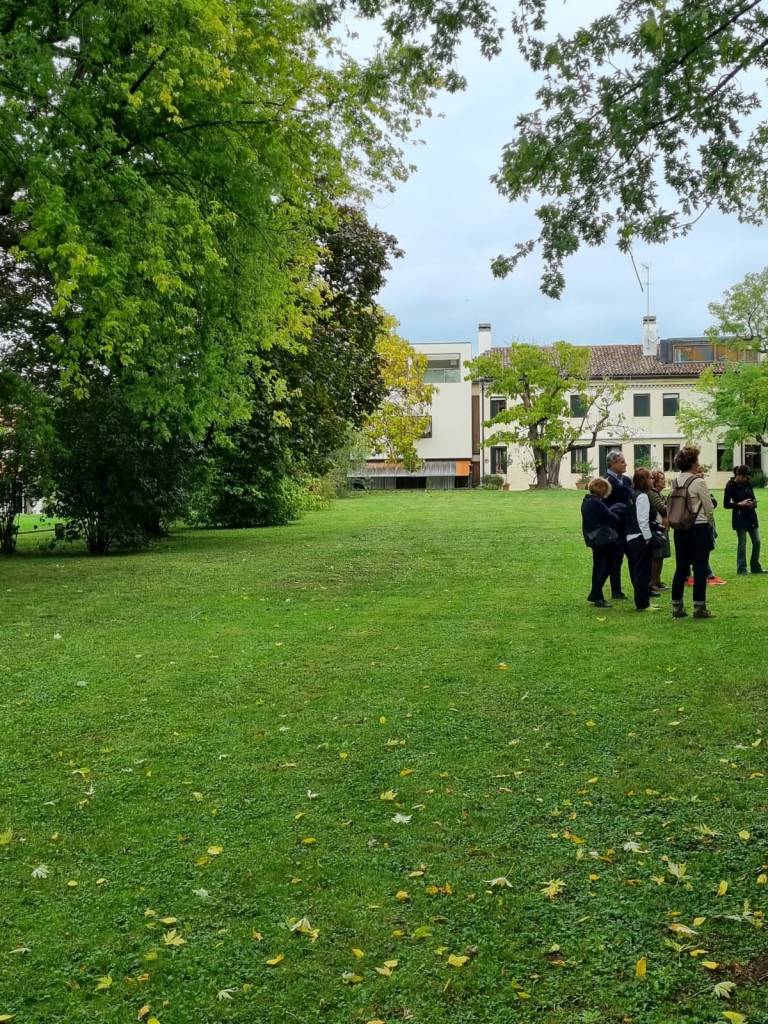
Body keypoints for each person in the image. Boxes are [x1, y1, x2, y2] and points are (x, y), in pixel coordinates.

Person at [669, 446, 716, 619]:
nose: (698, 464)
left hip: (680, 528)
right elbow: (709, 507)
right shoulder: (698, 482)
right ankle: (699, 607)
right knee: (700, 567)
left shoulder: (675, 481)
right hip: (699, 527)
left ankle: (677, 606)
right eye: (696, 461)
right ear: (692, 463)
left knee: (681, 567)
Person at [581, 477, 621, 608]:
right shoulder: (597, 503)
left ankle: (595, 593)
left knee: (600, 566)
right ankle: (597, 595)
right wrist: (616, 512)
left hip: (594, 538)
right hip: (602, 538)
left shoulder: (587, 501)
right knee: (604, 567)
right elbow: (612, 517)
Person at [625, 467, 659, 611]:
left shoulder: (633, 494)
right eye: (650, 477)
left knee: (640, 571)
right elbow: (643, 521)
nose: (652, 480)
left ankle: (644, 602)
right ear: (644, 480)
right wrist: (648, 539)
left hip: (632, 536)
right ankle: (643, 604)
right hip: (640, 537)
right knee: (642, 572)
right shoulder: (643, 497)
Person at [724, 465, 767, 575]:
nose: (746, 479)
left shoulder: (748, 483)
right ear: (738, 475)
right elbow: (726, 504)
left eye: (747, 477)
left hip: (751, 515)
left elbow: (752, 497)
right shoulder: (730, 485)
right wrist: (739, 504)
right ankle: (742, 568)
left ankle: (755, 566)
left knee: (757, 541)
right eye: (744, 477)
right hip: (739, 517)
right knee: (742, 543)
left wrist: (753, 503)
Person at [603, 450, 634, 600]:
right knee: (616, 559)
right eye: (622, 462)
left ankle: (641, 588)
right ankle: (616, 591)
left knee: (634, 556)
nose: (625, 464)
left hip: (628, 525)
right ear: (613, 463)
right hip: (614, 527)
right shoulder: (606, 481)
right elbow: (627, 493)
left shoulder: (626, 479)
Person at [649, 469, 670, 596]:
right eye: (662, 478)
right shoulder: (653, 493)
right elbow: (663, 508)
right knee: (656, 556)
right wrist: (673, 503)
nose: (664, 480)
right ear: (655, 481)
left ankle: (657, 581)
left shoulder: (658, 493)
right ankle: (653, 583)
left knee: (661, 556)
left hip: (662, 527)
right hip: (657, 528)